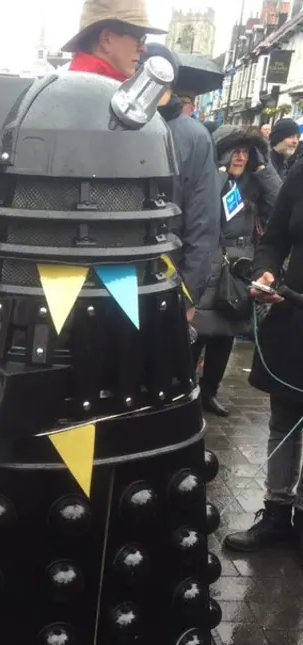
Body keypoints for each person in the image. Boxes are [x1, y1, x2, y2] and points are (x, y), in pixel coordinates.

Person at [225, 160, 303, 554]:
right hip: (293, 318)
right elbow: (272, 240)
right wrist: (267, 272)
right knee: (284, 418)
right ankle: (276, 514)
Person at [193, 126, 281, 417]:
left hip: (239, 266)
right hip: (209, 261)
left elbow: (279, 202)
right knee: (198, 332)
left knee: (226, 333)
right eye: (235, 151)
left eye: (245, 151)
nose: (240, 158)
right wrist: (218, 173)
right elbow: (201, 205)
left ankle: (210, 392)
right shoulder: (211, 178)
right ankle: (185, 391)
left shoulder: (254, 183)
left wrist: (263, 168)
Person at [142, 45, 220, 318]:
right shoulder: (119, 125)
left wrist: (188, 295)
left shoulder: (194, 136)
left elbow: (203, 222)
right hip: (113, 277)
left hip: (168, 280)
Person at [61, 0, 165, 80]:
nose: (143, 48)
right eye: (140, 38)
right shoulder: (101, 96)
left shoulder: (73, 87)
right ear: (106, 39)